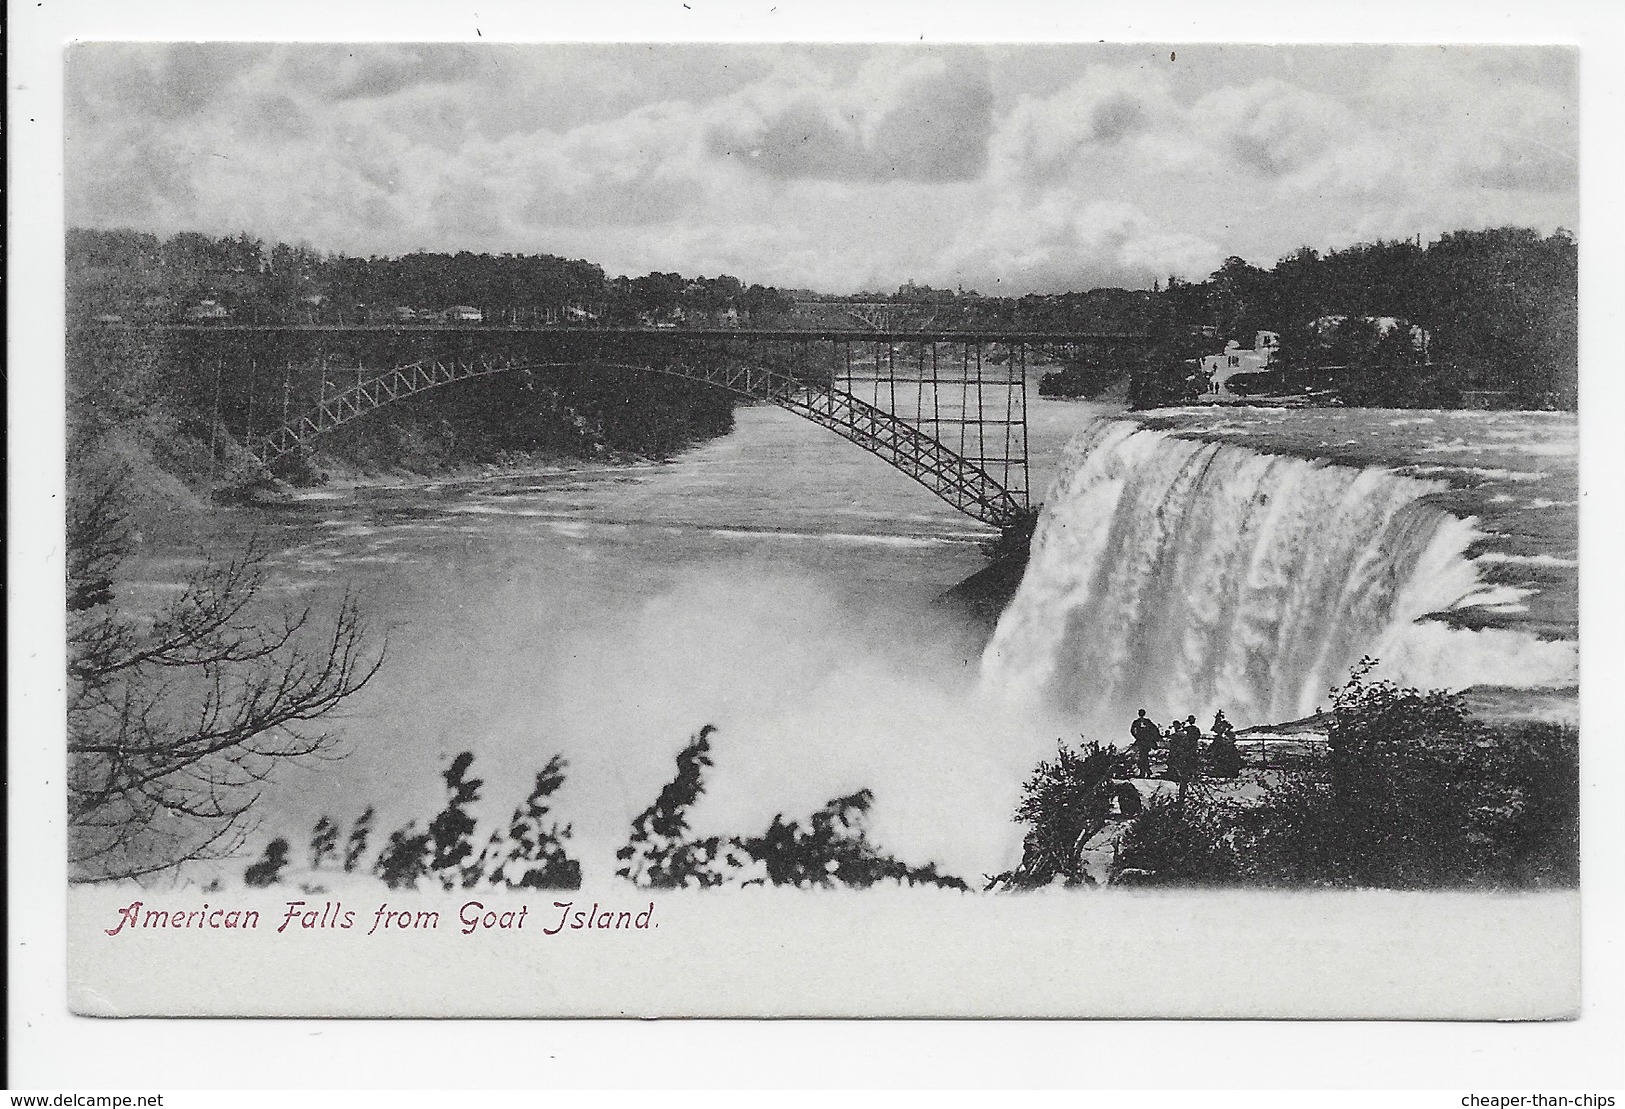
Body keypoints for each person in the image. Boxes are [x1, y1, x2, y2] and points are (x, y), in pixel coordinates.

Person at [1129, 709, 1160, 778]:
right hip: (1142, 741)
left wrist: (1151, 738)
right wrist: (1137, 737)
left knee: (1143, 756)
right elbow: (1132, 730)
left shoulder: (1146, 721)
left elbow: (1154, 729)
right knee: (1143, 756)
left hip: (1145, 741)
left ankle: (1145, 772)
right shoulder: (1138, 722)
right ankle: (1146, 771)